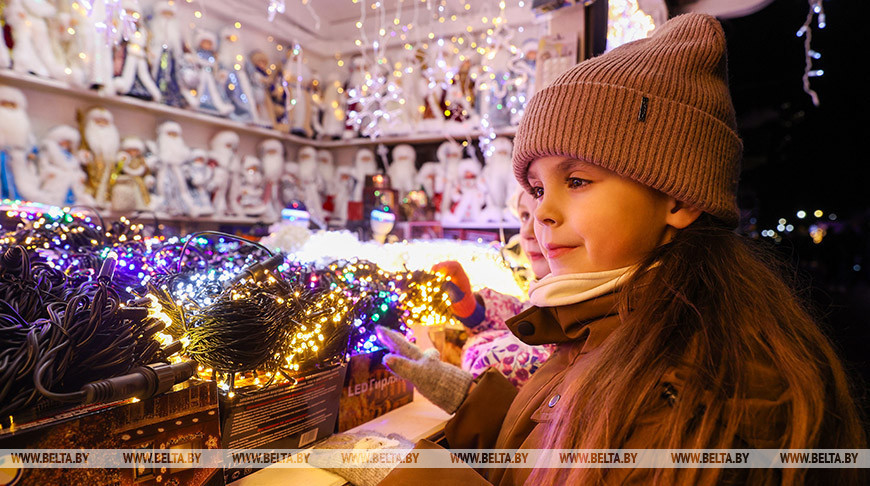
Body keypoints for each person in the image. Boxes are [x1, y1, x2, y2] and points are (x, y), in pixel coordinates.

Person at [314, 14, 866, 485]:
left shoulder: (697, 393)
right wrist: (476, 402)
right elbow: (562, 440)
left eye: (576, 180)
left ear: (676, 198)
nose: (542, 214)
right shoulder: (611, 321)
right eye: (536, 188)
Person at [434, 189, 551, 389]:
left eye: (544, 216)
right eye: (524, 216)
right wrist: (473, 310)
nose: (527, 232)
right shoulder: (545, 292)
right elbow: (525, 312)